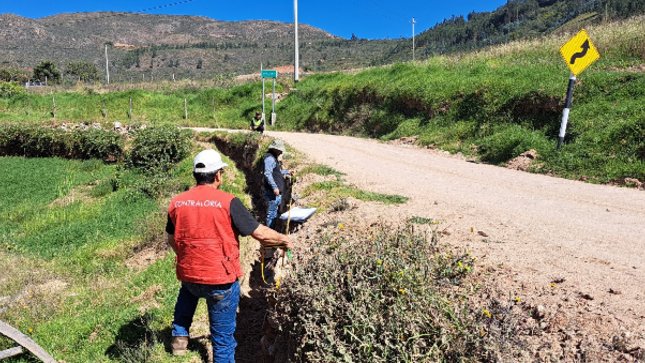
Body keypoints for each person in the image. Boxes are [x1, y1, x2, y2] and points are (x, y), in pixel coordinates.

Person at [166, 149, 293, 361]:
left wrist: (186, 256)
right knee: (222, 338)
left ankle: (179, 338)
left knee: (187, 294)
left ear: (196, 176)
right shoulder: (228, 202)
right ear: (217, 175)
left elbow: (172, 238)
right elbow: (259, 233)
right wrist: (285, 239)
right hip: (220, 280)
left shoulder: (177, 202)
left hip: (189, 274)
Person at [263, 139, 290, 228]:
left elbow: (277, 172)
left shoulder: (273, 158)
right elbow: (267, 173)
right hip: (272, 192)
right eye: (280, 150)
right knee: (271, 214)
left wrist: (287, 172)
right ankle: (269, 235)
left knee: (274, 214)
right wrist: (274, 187)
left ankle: (272, 232)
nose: (281, 152)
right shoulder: (270, 158)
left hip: (276, 192)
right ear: (275, 149)